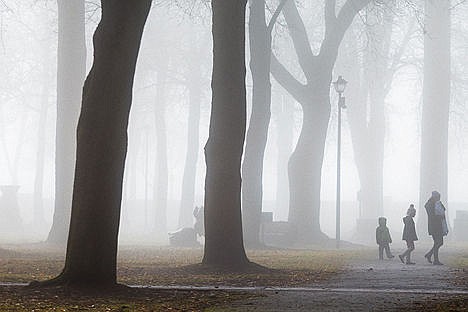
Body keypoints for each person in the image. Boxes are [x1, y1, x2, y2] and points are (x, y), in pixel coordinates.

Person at [424, 191, 448, 265]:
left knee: (438, 242)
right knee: (438, 242)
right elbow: (432, 216)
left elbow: (443, 209)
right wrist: (440, 216)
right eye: (438, 197)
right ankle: (435, 259)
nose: (439, 198)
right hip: (435, 226)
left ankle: (430, 255)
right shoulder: (430, 204)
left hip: (437, 226)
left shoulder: (436, 203)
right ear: (435, 196)